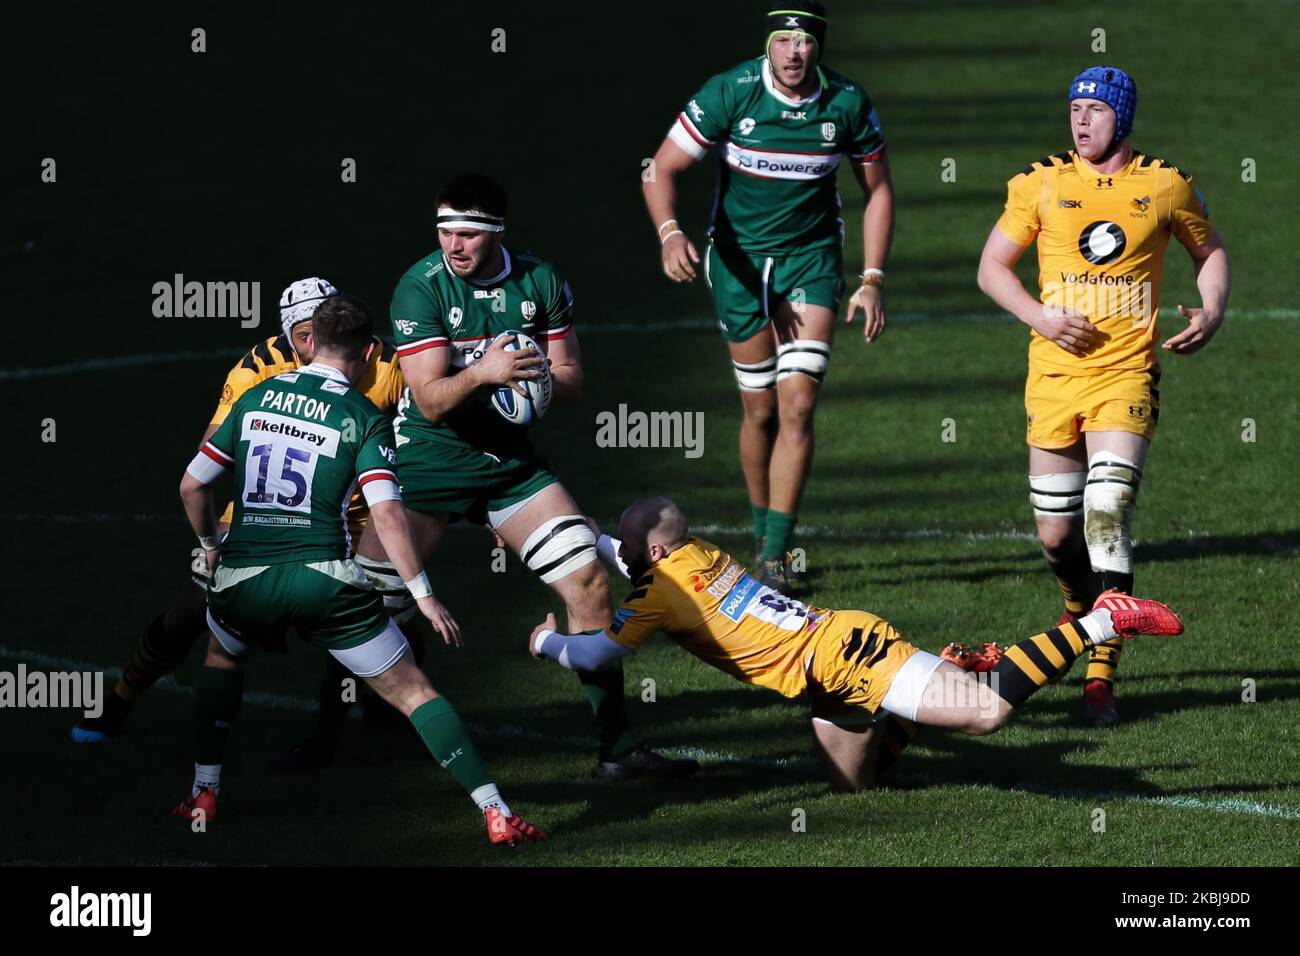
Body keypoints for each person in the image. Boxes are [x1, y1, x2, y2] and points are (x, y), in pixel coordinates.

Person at [356, 171, 698, 780]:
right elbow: (431, 400)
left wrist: (535, 378)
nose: (451, 246)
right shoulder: (421, 287)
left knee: (589, 581)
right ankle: (337, 731)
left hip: (508, 466)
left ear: (497, 233)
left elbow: (571, 378)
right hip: (428, 458)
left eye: (466, 234)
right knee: (367, 598)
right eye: (443, 231)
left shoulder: (540, 280)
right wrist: (487, 372)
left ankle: (616, 751)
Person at [174, 294, 545, 845]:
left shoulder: (254, 397)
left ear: (308, 343)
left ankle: (205, 790)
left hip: (243, 578)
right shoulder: (365, 417)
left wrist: (209, 544)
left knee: (223, 655)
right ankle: (495, 812)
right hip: (326, 582)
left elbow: (192, 483)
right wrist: (422, 595)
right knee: (414, 692)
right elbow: (389, 513)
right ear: (370, 351)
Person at [527, 498, 1184, 791]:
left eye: (629, 547)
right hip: (825, 672)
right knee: (857, 787)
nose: (629, 556)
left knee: (988, 712)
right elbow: (639, 553)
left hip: (845, 654)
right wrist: (593, 533)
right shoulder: (694, 553)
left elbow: (597, 655)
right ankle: (930, 686)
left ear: (656, 552)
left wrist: (546, 643)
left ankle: (1103, 620)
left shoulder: (655, 595)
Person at [976, 66, 1230, 725]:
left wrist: (1211, 310)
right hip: (1054, 380)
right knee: (1058, 537)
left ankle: (1099, 680)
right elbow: (991, 267)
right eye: (1074, 110)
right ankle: (1079, 612)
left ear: (1122, 117)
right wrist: (1040, 317)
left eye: (1094, 110)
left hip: (1126, 375)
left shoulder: (1166, 185)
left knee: (1107, 514)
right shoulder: (1041, 182)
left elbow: (1211, 250)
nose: (1081, 121)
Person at [73, 278, 413, 767]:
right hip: (266, 513)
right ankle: (120, 698)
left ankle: (325, 742)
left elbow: (429, 436)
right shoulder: (259, 367)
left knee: (372, 613)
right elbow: (211, 451)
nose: (315, 346)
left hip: (361, 521)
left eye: (321, 330)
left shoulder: (387, 363)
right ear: (288, 333)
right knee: (191, 610)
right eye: (303, 335)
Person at [641, 2, 894, 587]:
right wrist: (669, 233)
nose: (794, 53)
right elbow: (660, 167)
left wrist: (873, 278)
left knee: (798, 405)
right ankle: (762, 532)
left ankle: (775, 555)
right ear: (769, 45)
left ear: (819, 48)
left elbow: (878, 191)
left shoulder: (847, 104)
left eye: (805, 43)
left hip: (811, 261)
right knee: (758, 411)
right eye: (784, 41)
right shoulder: (731, 92)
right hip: (737, 264)